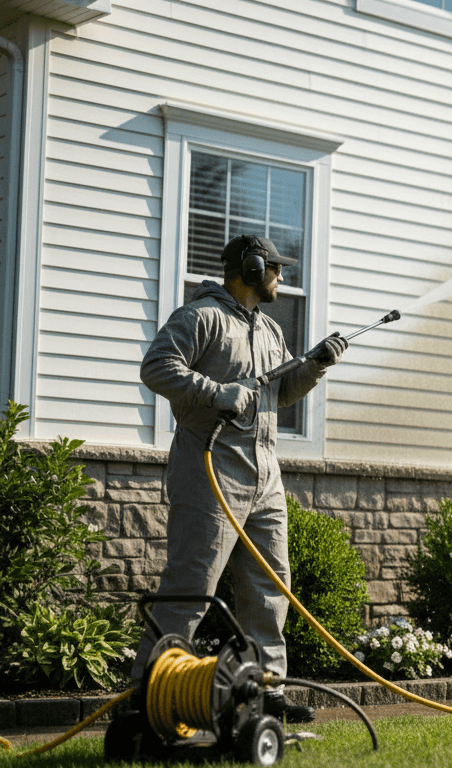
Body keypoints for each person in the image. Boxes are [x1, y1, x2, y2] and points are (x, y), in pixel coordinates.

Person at [130, 234, 347, 723]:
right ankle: (148, 698)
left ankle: (268, 694)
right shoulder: (200, 317)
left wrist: (315, 366)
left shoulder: (270, 330)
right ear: (251, 269)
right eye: (276, 269)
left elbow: (280, 392)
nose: (282, 277)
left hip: (266, 477)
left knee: (269, 593)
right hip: (210, 472)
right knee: (191, 588)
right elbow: (156, 368)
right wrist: (217, 392)